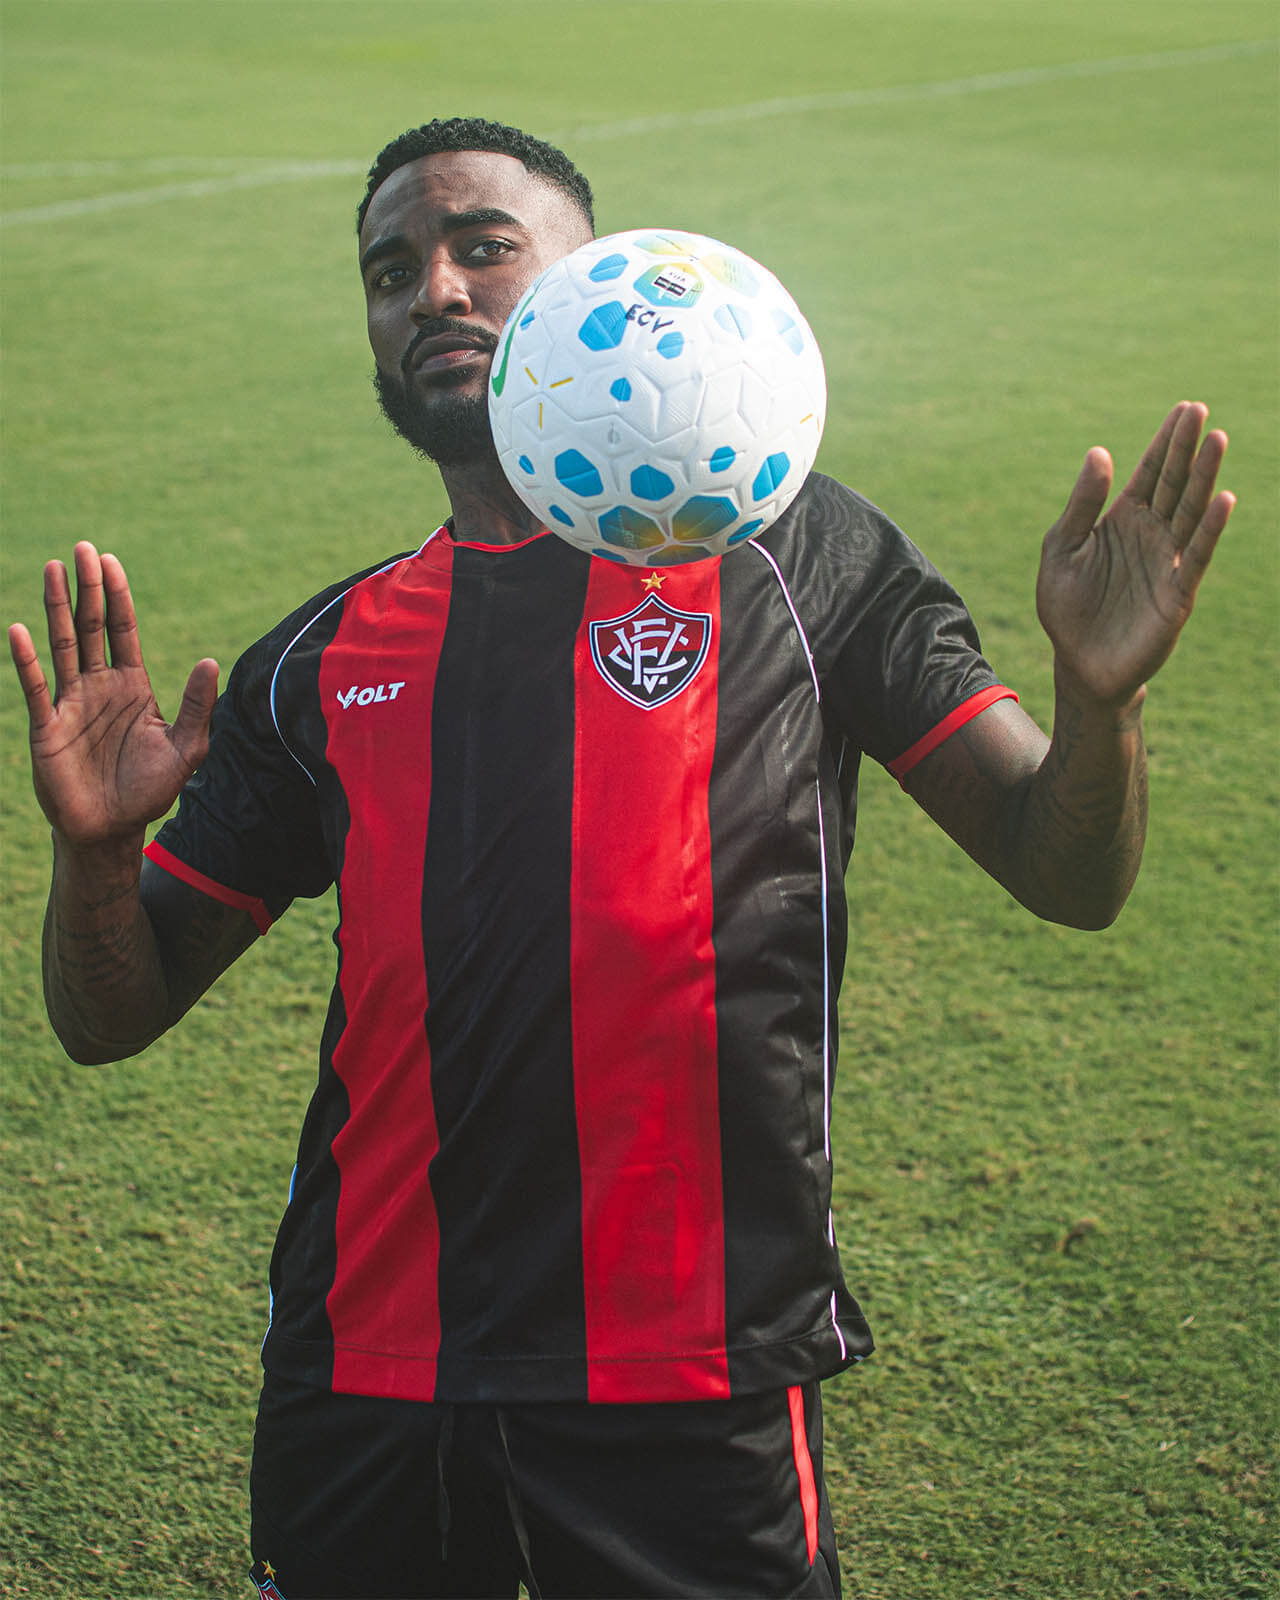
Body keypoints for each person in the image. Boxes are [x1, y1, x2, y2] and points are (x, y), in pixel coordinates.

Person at [8, 116, 1233, 1600]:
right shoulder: (323, 660)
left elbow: (1067, 870)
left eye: (484, 247)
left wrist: (1103, 710)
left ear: (607, 284)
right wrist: (93, 854)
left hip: (694, 1363)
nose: (435, 292)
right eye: (391, 271)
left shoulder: (805, 560)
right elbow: (107, 1016)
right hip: (368, 1360)